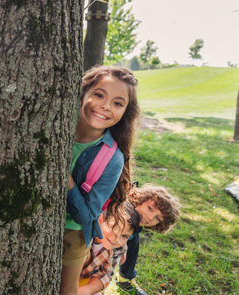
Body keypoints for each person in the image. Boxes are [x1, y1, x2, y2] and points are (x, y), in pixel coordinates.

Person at [60, 66, 140, 295]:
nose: (105, 106)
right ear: (83, 92)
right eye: (99, 95)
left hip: (72, 231)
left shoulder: (112, 159)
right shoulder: (53, 125)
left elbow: (85, 215)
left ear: (125, 112)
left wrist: (67, 181)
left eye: (117, 103)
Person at [116, 184, 181, 295]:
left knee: (134, 238)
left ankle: (125, 279)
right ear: (139, 199)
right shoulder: (121, 209)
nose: (150, 217)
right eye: (150, 208)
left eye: (157, 218)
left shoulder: (137, 226)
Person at [78, 202, 141, 295]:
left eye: (124, 236)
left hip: (83, 280)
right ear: (100, 220)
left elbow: (105, 274)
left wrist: (85, 291)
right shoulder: (83, 233)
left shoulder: (118, 248)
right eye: (114, 228)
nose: (116, 239)